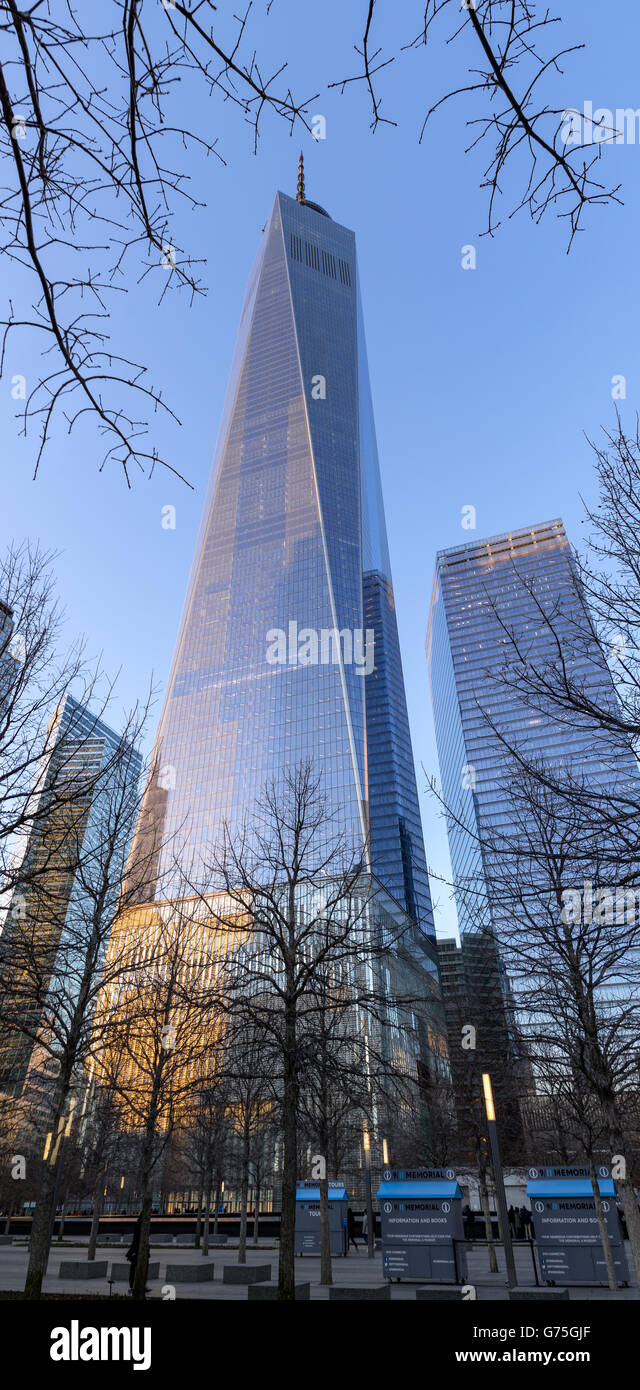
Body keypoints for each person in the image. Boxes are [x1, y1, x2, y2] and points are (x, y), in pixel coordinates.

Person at [126, 1212, 149, 1296]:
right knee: (134, 1270)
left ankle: (141, 1286)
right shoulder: (138, 1225)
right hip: (137, 1250)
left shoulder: (145, 1225)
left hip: (143, 1251)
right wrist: (133, 1252)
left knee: (143, 1269)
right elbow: (136, 1240)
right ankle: (131, 1287)